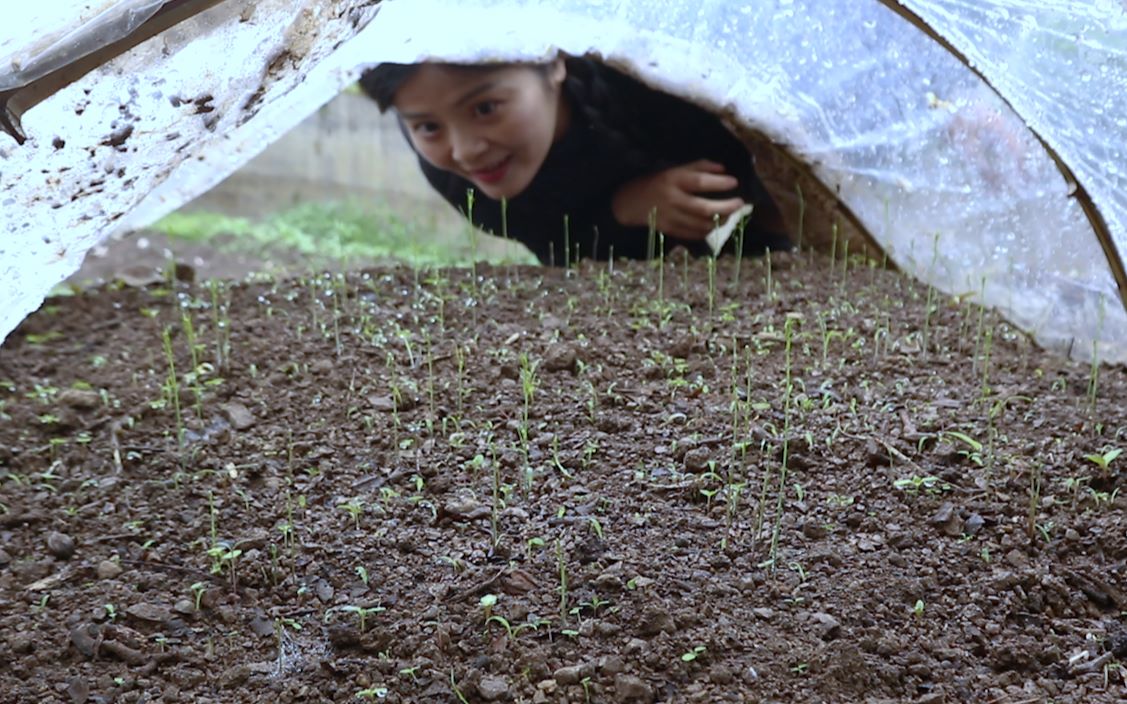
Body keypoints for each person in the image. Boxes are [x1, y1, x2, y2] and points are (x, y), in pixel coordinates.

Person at [359, 54, 790, 266]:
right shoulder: (455, 173)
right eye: (427, 127)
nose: (465, 149)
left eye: (486, 108)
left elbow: (782, 171)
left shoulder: (659, 86)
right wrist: (625, 206)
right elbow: (551, 245)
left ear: (554, 64)